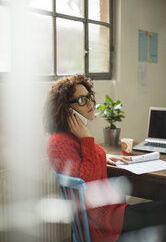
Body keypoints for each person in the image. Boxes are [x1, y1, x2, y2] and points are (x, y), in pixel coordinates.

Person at [43, 74, 166, 242]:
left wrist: (103, 156)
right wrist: (86, 138)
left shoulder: (71, 136)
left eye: (89, 97)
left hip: (110, 215)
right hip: (103, 227)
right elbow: (89, 183)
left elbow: (86, 161)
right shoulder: (60, 142)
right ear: (65, 108)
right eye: (82, 100)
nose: (91, 104)